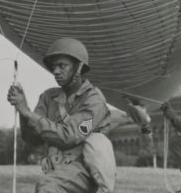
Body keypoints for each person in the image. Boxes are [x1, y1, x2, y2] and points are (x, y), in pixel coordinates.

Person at [7, 38, 114, 193]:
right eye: (54, 66)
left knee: (48, 187)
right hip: (57, 168)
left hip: (85, 169)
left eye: (62, 66)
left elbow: (69, 136)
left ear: (78, 67)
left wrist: (27, 112)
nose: (56, 71)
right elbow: (32, 139)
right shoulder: (48, 97)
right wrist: (23, 111)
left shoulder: (94, 100)